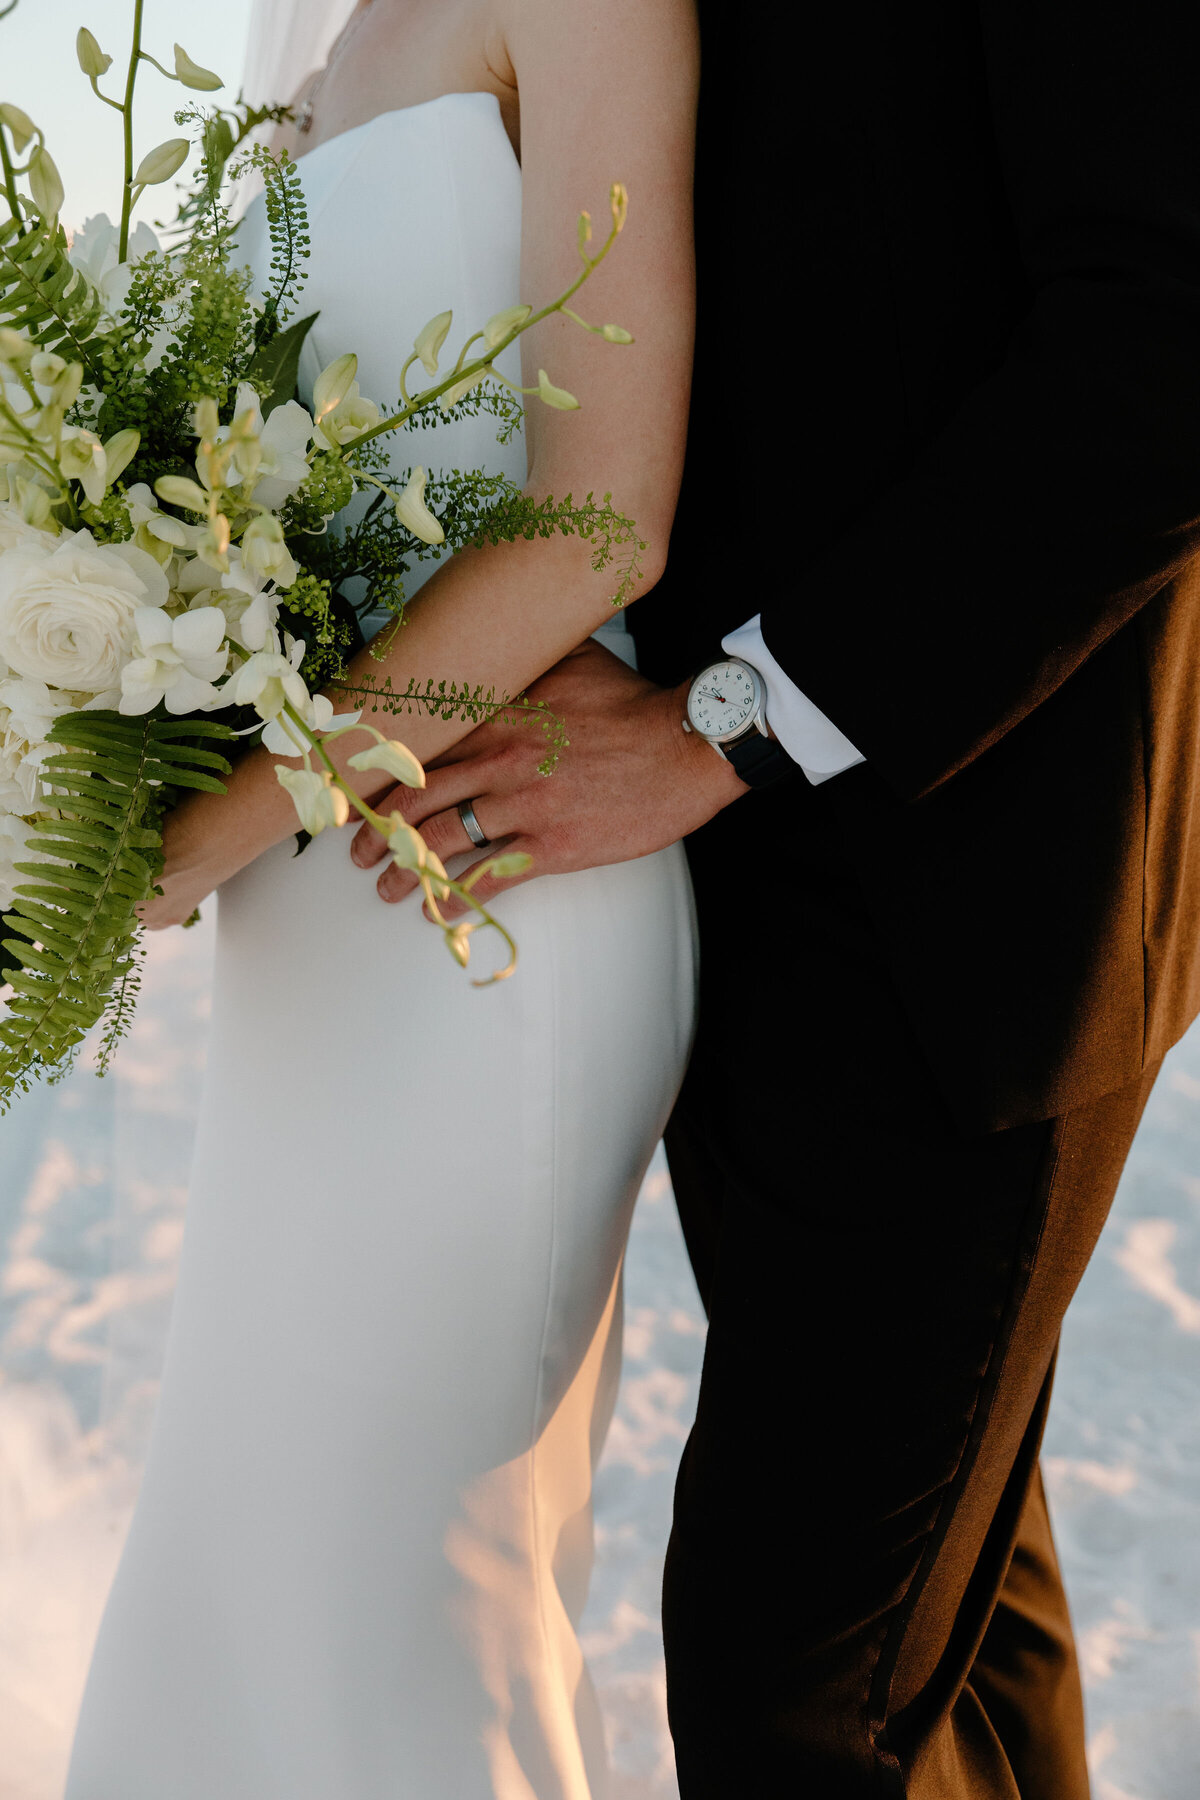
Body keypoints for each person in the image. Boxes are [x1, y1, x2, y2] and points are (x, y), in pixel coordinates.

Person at [357, 1, 1200, 1794]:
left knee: (786, 1697)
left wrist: (721, 727)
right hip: (692, 881)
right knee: (949, 1625)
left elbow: (1167, 351)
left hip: (980, 885)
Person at [64, 4, 708, 1796]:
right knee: (255, 1557)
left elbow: (600, 521)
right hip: (302, 926)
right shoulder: (297, 54)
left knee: (408, 1587)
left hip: (480, 888)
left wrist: (220, 823)